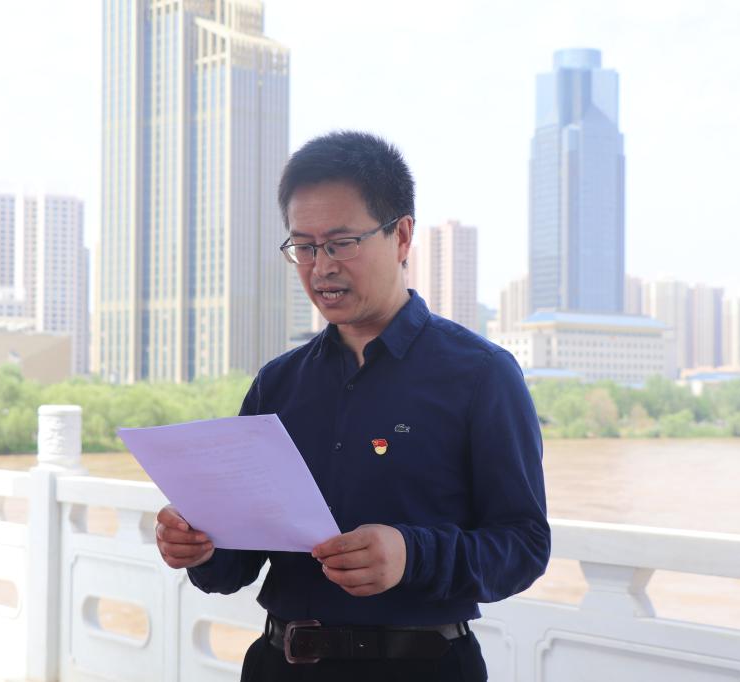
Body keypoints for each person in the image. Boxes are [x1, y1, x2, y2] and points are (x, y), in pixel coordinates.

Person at [155, 130, 550, 681]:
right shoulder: (278, 384)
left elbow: (524, 546)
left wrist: (411, 555)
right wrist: (198, 546)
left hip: (423, 669)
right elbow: (235, 564)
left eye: (341, 243)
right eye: (305, 247)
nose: (321, 267)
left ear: (402, 235)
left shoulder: (481, 374)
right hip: (280, 665)